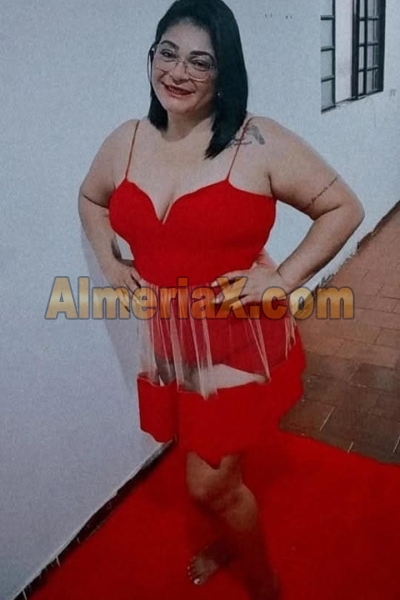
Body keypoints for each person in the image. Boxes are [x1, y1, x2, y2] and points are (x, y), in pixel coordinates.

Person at [78, 0, 364, 597]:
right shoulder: (127, 139)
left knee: (208, 485)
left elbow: (343, 208)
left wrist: (283, 279)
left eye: (200, 61)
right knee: (215, 461)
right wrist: (111, 263)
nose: (178, 72)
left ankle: (264, 583)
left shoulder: (256, 141)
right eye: (168, 53)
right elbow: (91, 198)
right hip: (170, 335)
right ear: (151, 57)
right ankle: (233, 532)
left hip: (237, 336)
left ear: (224, 71)